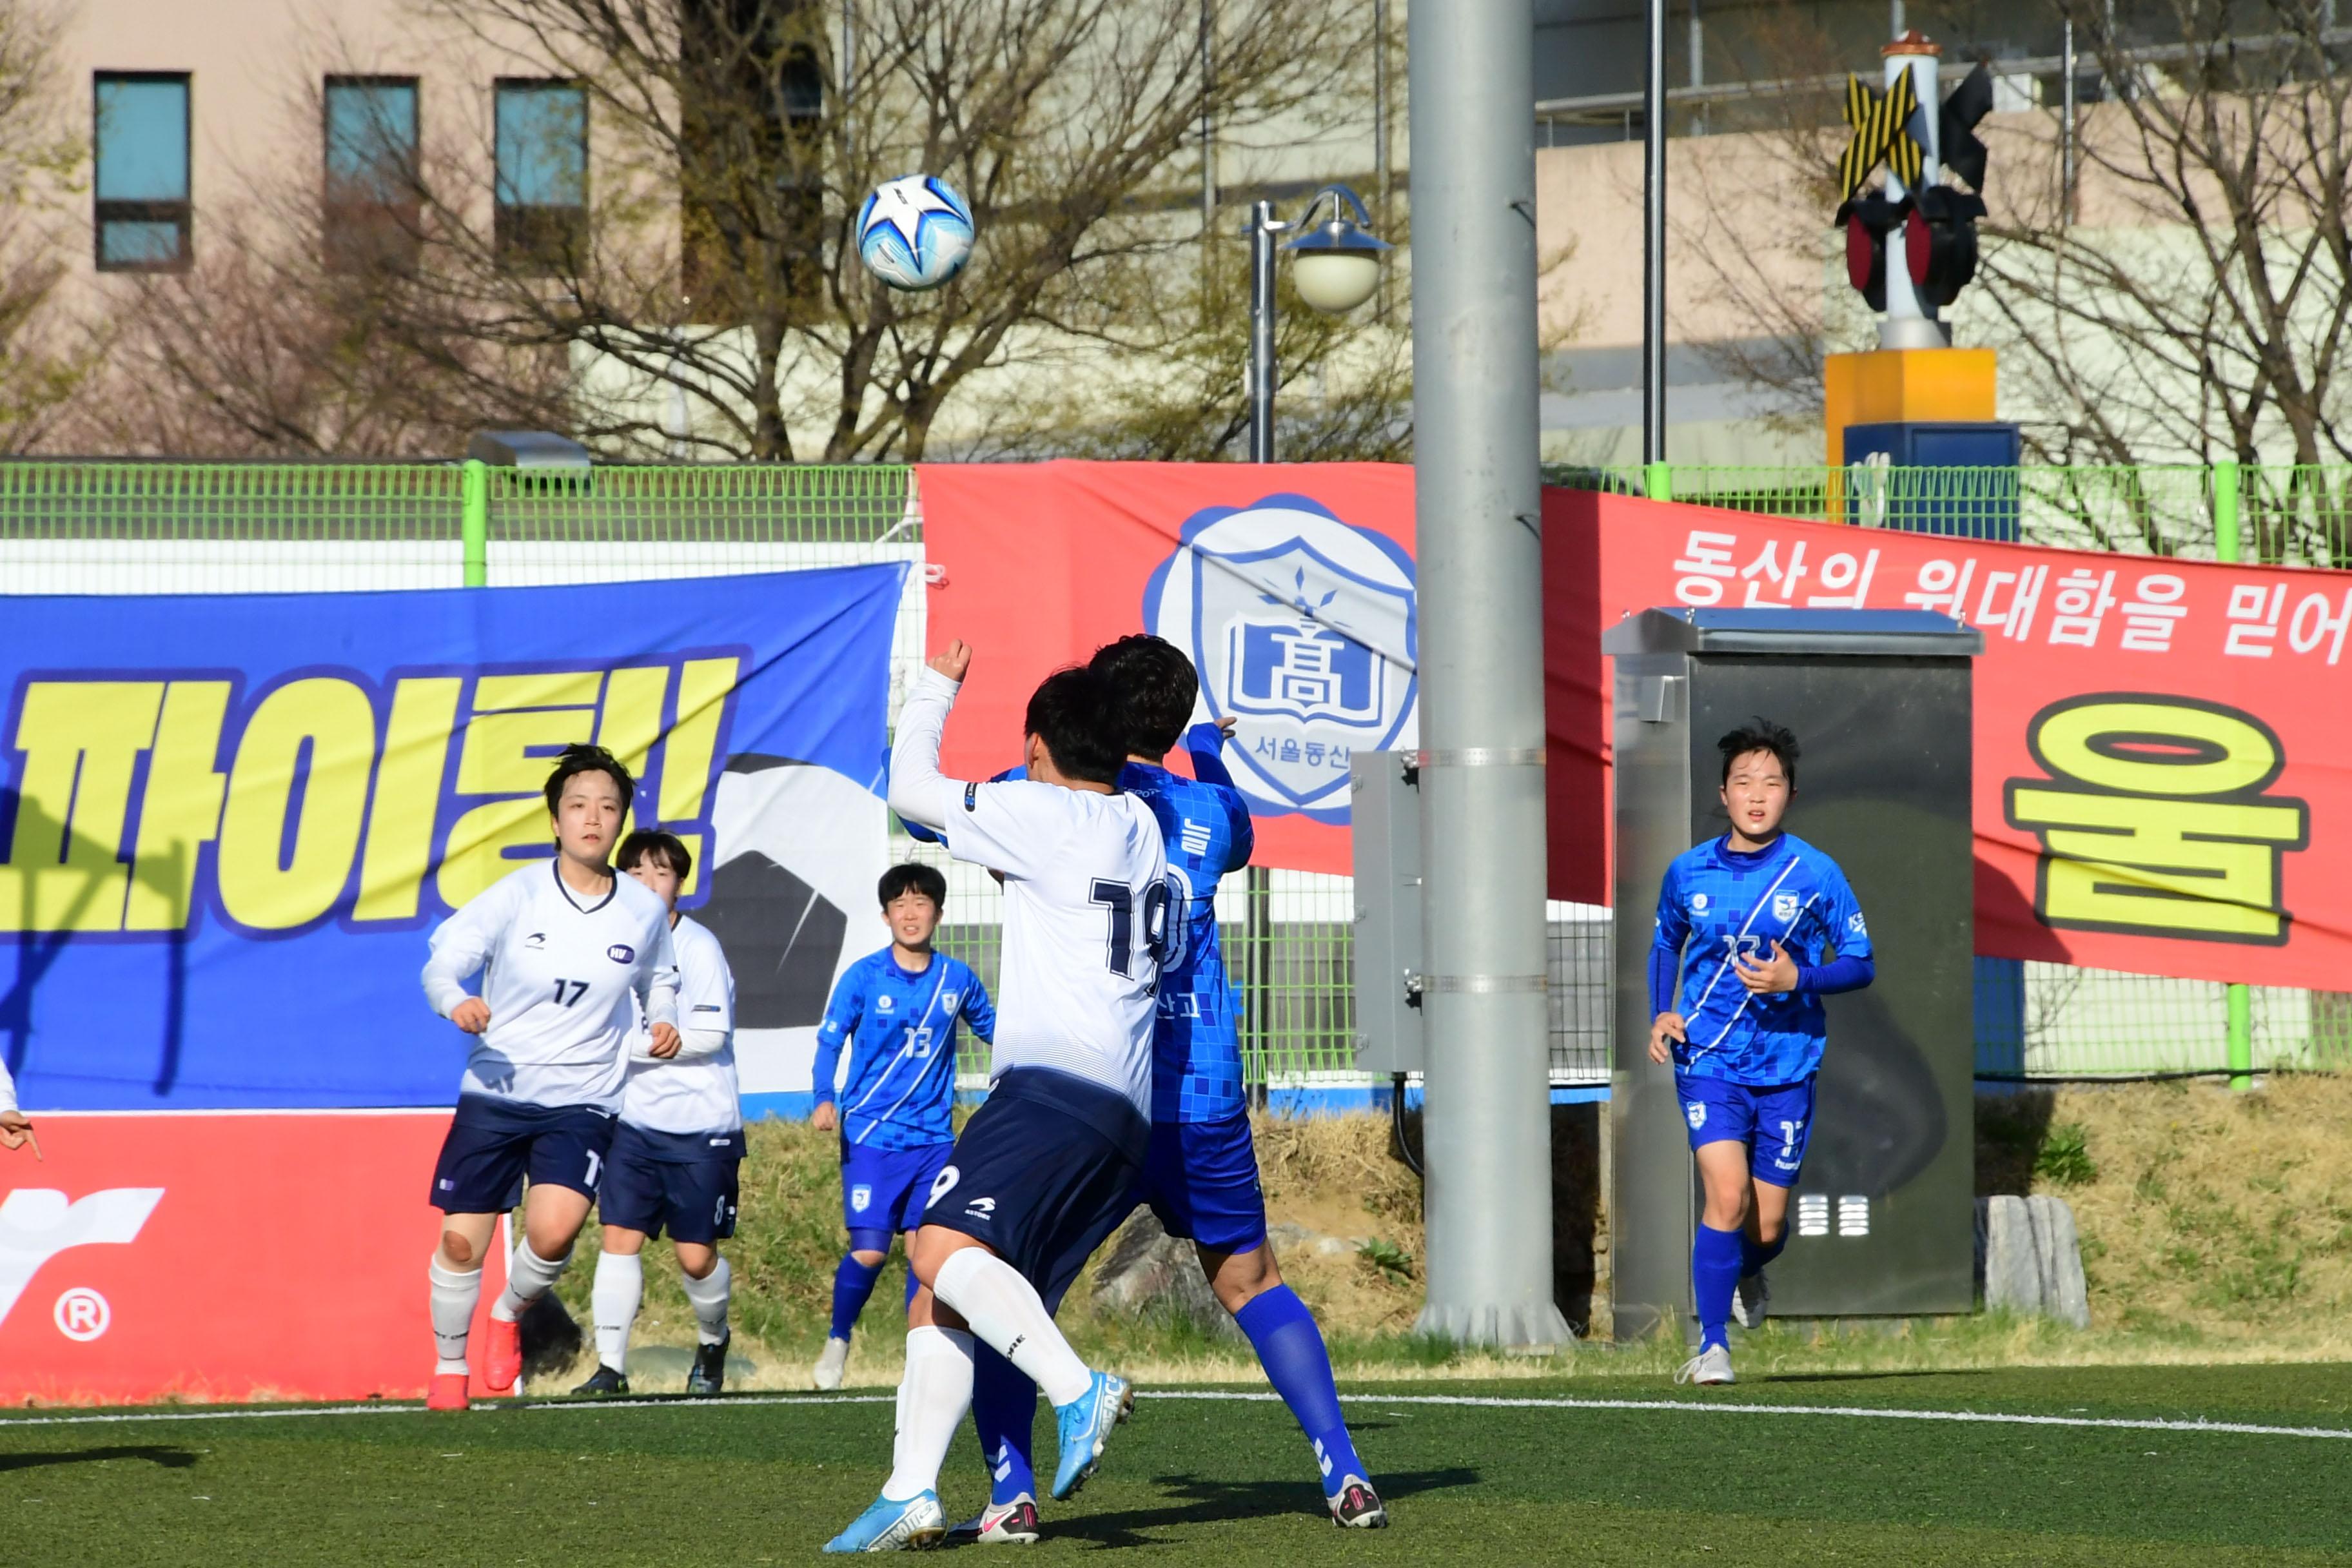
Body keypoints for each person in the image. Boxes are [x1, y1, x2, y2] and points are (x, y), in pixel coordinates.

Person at [958, 634, 1385, 1542]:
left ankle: (1013, 1494)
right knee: (1255, 1281)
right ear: (1180, 719)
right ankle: (1343, 1469)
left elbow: (941, 816)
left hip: (1093, 1097)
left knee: (1004, 1284)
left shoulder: (1060, 801)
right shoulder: (1214, 811)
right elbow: (1228, 821)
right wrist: (1211, 749)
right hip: (1204, 1091)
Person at [823, 640, 1164, 1554]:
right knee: (946, 1287)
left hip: (1054, 1087)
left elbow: (908, 787)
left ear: (1041, 748)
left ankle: (1076, 1391)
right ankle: (910, 1490)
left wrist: (936, 688)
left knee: (931, 1239)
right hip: (1122, 1112)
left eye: (1029, 748)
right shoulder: (1141, 824)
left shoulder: (1044, 813)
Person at [418, 743, 681, 1413]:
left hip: (584, 1096)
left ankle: (508, 1312)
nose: (593, 817)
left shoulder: (643, 910)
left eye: (607, 806)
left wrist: (664, 1018)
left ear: (620, 820)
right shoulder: (518, 894)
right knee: (459, 1240)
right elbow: (442, 966)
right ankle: (451, 1368)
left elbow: (660, 976)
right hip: (498, 1090)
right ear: (556, 820)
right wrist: (459, 1002)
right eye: (578, 805)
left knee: (555, 1233)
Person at [1647, 719, 1874, 1387]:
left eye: (1770, 783)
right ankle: (1712, 1346)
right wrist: (1663, 1011)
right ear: (1724, 793)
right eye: (1744, 782)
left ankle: (1751, 1266)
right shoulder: (1688, 870)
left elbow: (1861, 963)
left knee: (1766, 1221)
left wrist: (1796, 978)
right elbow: (1666, 942)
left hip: (1787, 1065)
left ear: (1790, 795)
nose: (1756, 794)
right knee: (1726, 1191)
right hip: (1708, 1060)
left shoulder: (1816, 872)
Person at [807, 863, 996, 1392]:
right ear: (886, 914)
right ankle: (838, 1340)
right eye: (900, 904)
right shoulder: (864, 977)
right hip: (870, 1135)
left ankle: (922, 1358)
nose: (910, 914)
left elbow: (996, 1033)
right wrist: (824, 1098)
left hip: (935, 1141)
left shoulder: (956, 979)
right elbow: (830, 1040)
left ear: (938, 912)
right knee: (870, 1251)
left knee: (926, 1254)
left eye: (921, 903)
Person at [573, 829, 743, 1399]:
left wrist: (619, 1043)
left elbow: (710, 1034)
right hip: (631, 1123)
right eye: (637, 873)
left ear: (681, 884)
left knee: (696, 1259)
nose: (649, 884)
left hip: (702, 1127)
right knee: (618, 1237)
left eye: (662, 873)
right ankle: (610, 1368)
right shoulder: (606, 946)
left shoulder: (698, 947)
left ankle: (713, 1340)